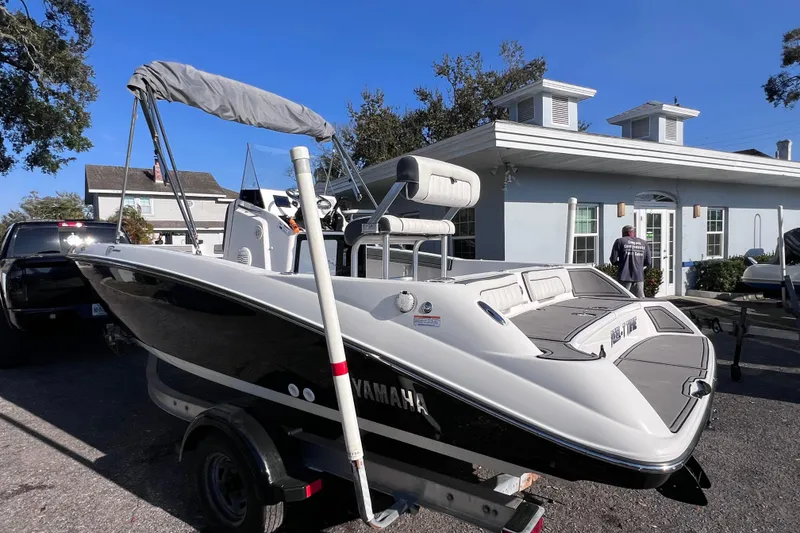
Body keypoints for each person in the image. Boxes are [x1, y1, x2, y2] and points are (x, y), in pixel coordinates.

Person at [609, 225, 651, 298]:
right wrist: (640, 265)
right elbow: (648, 262)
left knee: (624, 299)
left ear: (625, 233)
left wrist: (621, 264)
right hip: (639, 276)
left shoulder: (620, 241)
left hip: (624, 276)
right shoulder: (644, 243)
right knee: (640, 299)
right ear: (633, 232)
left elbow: (613, 259)